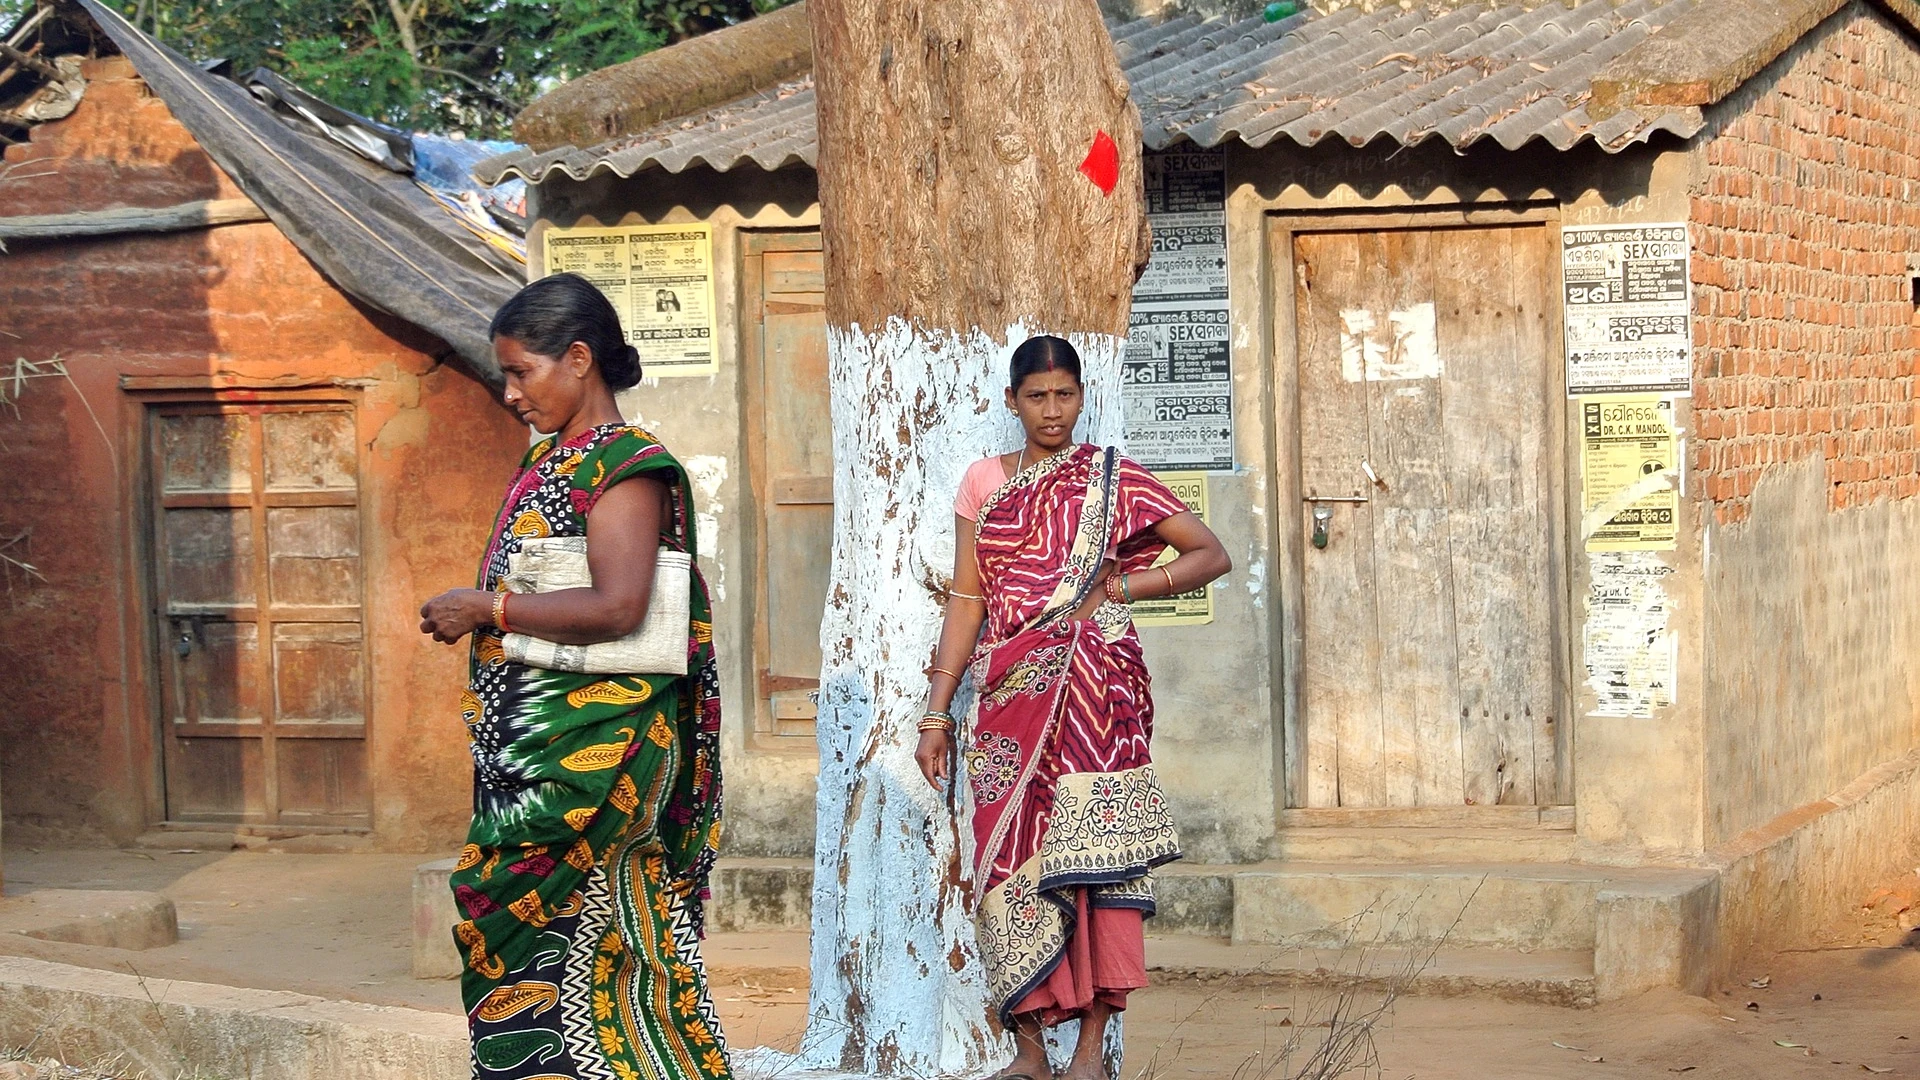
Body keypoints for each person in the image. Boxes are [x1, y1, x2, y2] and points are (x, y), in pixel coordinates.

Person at [419, 273, 730, 1080]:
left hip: (601, 766)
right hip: (537, 762)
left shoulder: (623, 467)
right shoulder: (555, 459)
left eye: (522, 372)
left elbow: (619, 604)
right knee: (553, 964)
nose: (511, 393)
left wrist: (487, 607)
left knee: (604, 959)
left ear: (580, 358)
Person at [915, 335, 1232, 1080]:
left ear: (1083, 397)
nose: (1052, 411)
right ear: (1012, 402)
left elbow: (1208, 554)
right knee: (1004, 862)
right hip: (1007, 697)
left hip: (1096, 693)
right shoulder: (984, 481)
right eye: (1037, 397)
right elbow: (968, 600)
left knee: (1097, 865)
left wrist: (1121, 589)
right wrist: (937, 713)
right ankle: (1029, 1047)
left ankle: (1089, 1049)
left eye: (1065, 395)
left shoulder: (1111, 479)